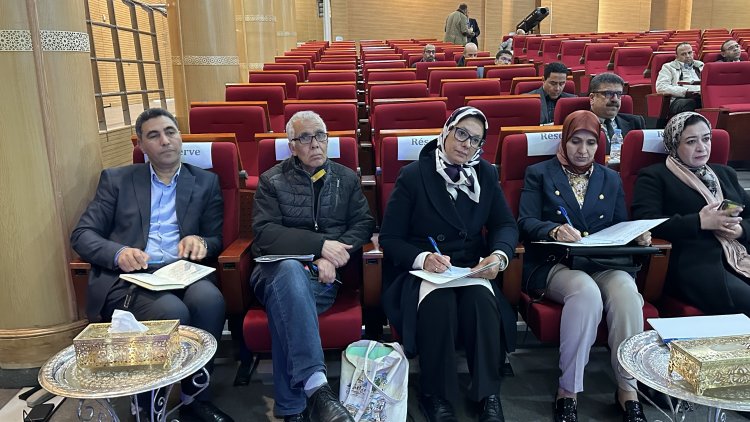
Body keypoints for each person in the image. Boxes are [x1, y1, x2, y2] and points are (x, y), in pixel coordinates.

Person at [70, 108, 233, 422]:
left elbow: (215, 238)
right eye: (154, 135)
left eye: (170, 132)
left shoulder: (205, 182)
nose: (165, 141)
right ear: (142, 145)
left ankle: (195, 396)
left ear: (180, 137)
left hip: (182, 272)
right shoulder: (117, 180)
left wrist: (200, 241)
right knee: (173, 311)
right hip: (132, 277)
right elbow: (82, 234)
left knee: (210, 301)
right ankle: (149, 403)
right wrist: (118, 252)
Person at [380, 106, 518, 422]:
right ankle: (435, 393)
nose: (466, 144)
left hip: (469, 268)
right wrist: (423, 258)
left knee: (481, 301)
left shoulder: (486, 174)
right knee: (439, 304)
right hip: (423, 271)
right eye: (461, 133)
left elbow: (504, 225)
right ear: (446, 131)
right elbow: (390, 238)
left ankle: (487, 393)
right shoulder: (414, 176)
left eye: (475, 139)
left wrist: (499, 256)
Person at [518, 110, 650, 422]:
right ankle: (568, 389)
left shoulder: (610, 178)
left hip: (601, 261)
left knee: (627, 292)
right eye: (575, 141)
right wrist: (553, 229)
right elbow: (525, 221)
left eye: (591, 143)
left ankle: (628, 388)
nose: (583, 150)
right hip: (555, 263)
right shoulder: (539, 173)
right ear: (564, 141)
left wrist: (636, 234)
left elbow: (619, 224)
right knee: (585, 292)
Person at [250, 111, 374, 422]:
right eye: (305, 138)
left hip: (322, 279)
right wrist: (318, 247)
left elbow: (363, 224)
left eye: (320, 135)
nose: (315, 144)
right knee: (290, 272)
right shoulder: (271, 180)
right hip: (271, 274)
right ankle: (318, 388)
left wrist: (330, 256)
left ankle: (293, 407)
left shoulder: (346, 178)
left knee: (285, 307)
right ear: (292, 146)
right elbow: (265, 234)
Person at [632, 112, 750, 315]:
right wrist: (700, 222)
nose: (702, 147)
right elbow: (645, 222)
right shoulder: (655, 176)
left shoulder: (725, 174)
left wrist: (741, 230)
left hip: (738, 253)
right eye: (691, 141)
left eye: (706, 139)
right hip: (695, 264)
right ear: (674, 144)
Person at [588, 73, 645, 153]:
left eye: (619, 94)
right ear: (592, 98)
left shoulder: (636, 122)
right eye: (608, 93)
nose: (615, 99)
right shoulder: (580, 125)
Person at [656, 42, 704, 114]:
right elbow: (661, 87)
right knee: (690, 103)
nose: (688, 56)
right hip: (680, 98)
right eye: (683, 54)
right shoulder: (668, 67)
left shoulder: (700, 65)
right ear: (676, 56)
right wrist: (685, 92)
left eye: (689, 53)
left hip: (701, 96)